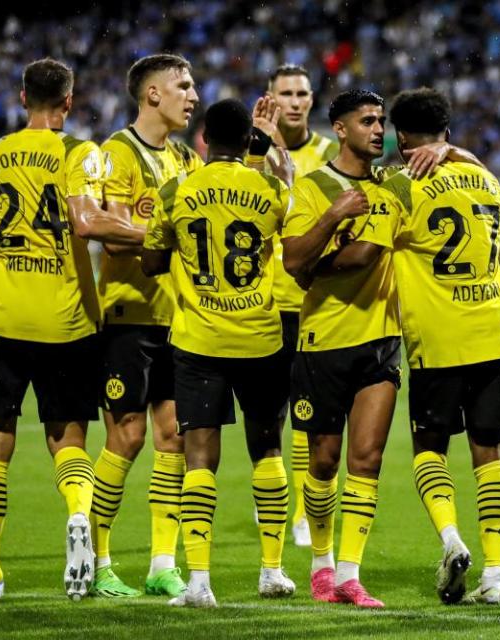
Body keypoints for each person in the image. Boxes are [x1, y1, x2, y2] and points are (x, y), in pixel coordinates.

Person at [281, 89, 482, 608]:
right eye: (367, 121)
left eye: (382, 121)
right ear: (341, 129)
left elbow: (339, 261)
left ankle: (350, 575)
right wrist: (332, 217)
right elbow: (291, 259)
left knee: (366, 460)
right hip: (324, 339)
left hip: (381, 342)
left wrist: (447, 151)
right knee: (323, 462)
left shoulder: (397, 185)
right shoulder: (313, 187)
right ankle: (321, 565)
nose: (378, 130)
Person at [322, 88, 500, 605]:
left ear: (401, 137)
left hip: (438, 337)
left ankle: (451, 538)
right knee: (490, 455)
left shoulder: (401, 187)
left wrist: (317, 263)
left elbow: (363, 254)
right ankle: (496, 576)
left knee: (430, 448)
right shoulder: (487, 178)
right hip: (496, 331)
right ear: (447, 134)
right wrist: (458, 154)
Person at [0, 57, 147, 602]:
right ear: (68, 102)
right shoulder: (78, 152)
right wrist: (148, 227)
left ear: (22, 97)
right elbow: (86, 220)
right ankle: (76, 518)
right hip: (65, 320)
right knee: (67, 438)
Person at [140, 98, 294, 608]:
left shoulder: (176, 190)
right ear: (248, 136)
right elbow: (288, 243)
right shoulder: (270, 187)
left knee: (200, 455)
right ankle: (272, 571)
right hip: (260, 337)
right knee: (268, 448)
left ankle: (200, 582)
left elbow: (152, 260)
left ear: (204, 137)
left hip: (200, 339)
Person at [89, 53, 203, 599]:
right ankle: (95, 560)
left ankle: (162, 563)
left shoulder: (185, 158)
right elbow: (110, 233)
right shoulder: (117, 152)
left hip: (175, 317)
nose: (193, 96)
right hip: (127, 318)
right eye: (183, 86)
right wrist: (166, 230)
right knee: (127, 437)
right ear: (152, 94)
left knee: (172, 437)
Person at [254, 63, 340, 548]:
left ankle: (309, 512)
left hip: (316, 304)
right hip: (268, 303)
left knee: (313, 416)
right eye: (284, 92)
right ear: (270, 97)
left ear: (311, 100)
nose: (293, 100)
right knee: (270, 415)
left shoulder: (331, 152)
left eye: (301, 93)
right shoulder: (254, 155)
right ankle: (272, 495)